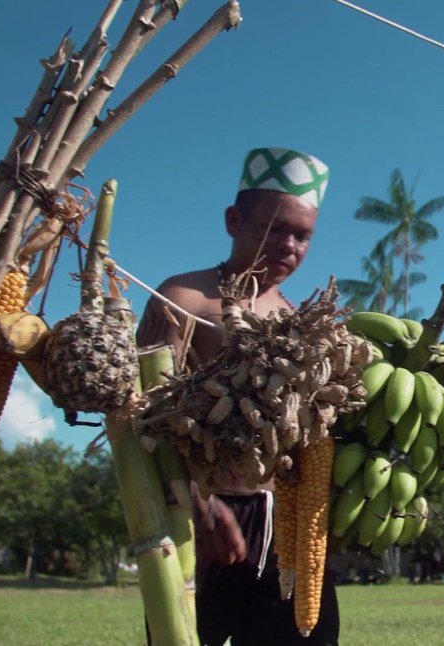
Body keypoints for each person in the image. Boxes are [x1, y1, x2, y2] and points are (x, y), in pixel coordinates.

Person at [136, 147, 340, 645]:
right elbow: (138, 415)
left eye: (303, 235)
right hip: (201, 519)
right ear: (234, 220)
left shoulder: (300, 321)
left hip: (289, 525)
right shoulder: (185, 298)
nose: (289, 246)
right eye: (275, 228)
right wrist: (197, 504)